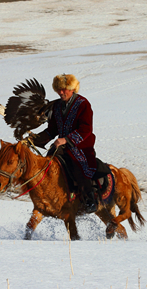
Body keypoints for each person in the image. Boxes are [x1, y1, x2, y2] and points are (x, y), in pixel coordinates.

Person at [29, 74, 99, 213]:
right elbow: (52, 130)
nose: (61, 93)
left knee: (81, 168)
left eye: (64, 89)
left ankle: (90, 200)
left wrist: (66, 140)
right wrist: (34, 139)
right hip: (60, 147)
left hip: (81, 146)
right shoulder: (57, 106)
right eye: (58, 89)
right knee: (45, 164)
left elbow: (86, 129)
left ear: (72, 89)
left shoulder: (83, 104)